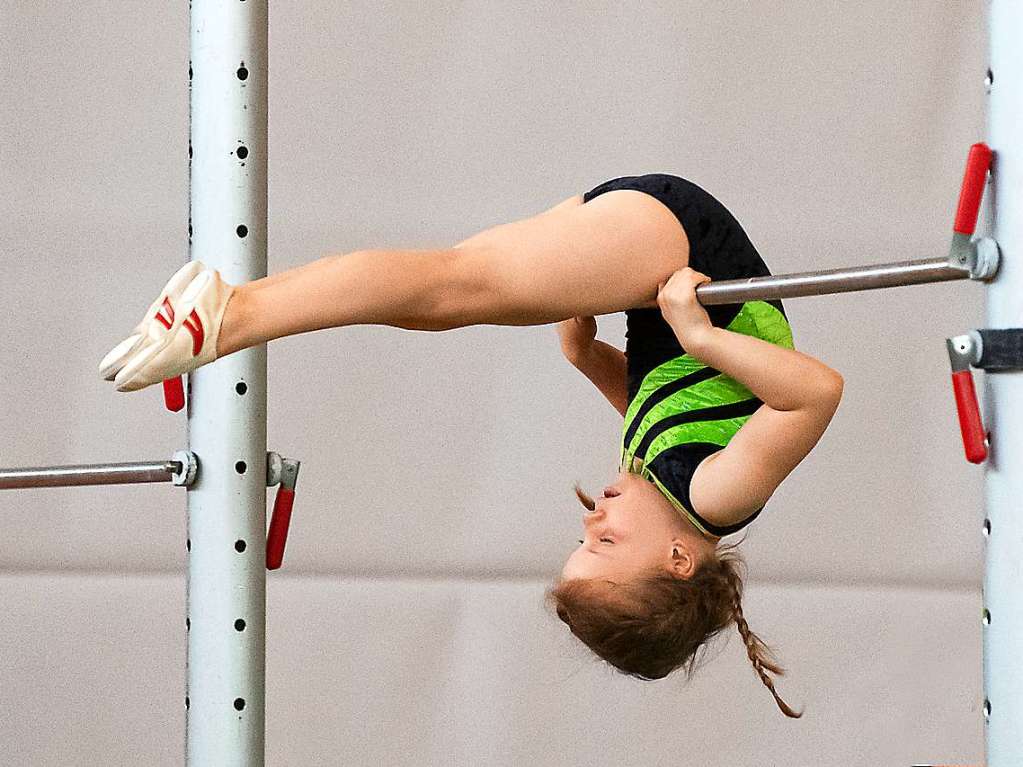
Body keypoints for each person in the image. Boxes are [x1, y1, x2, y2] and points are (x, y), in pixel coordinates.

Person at [99, 173, 842, 718]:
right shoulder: (717, 497)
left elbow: (670, 406)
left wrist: (586, 358)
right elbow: (813, 393)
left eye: (582, 538)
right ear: (679, 560)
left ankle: (231, 313)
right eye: (605, 540)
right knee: (448, 290)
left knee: (441, 297)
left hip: (653, 242)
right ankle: (228, 319)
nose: (590, 519)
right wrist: (701, 333)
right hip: (686, 240)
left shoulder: (666, 483)